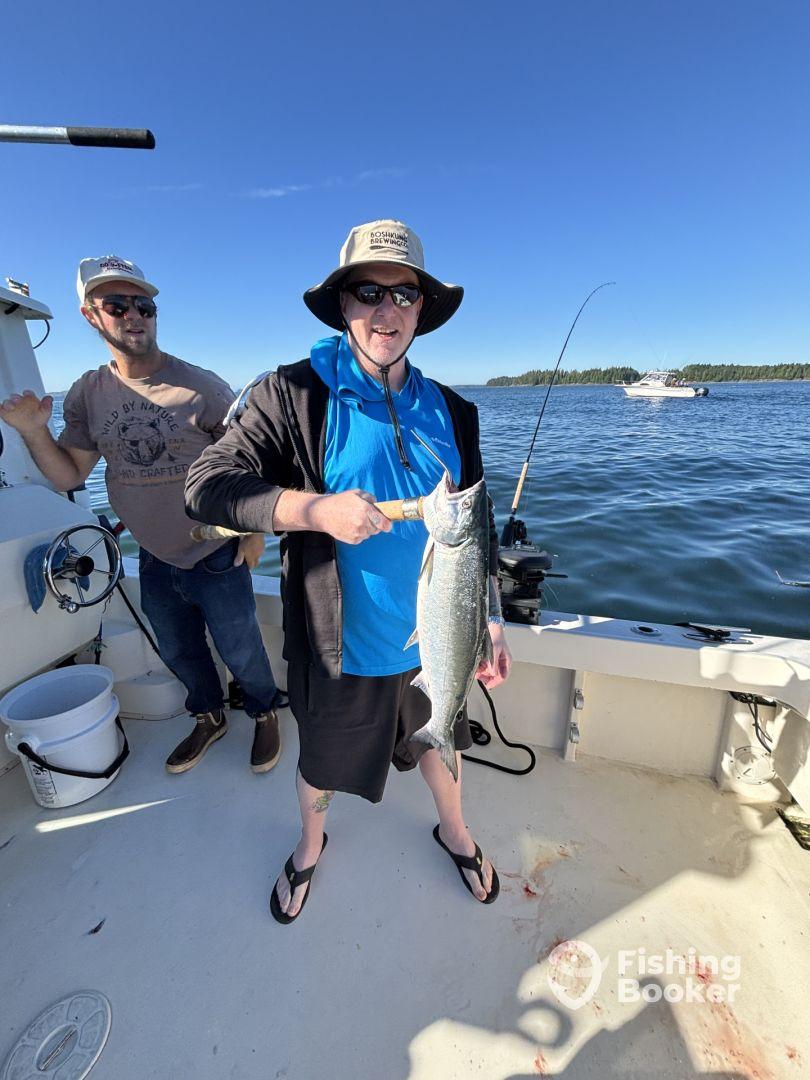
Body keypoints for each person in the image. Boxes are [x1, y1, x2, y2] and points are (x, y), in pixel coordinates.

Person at [185, 220, 511, 922]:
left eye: (404, 294)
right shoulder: (291, 395)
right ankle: (310, 844)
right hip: (340, 650)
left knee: (443, 735)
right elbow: (206, 486)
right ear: (342, 304)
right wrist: (313, 510)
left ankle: (454, 829)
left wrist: (490, 616)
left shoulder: (457, 411)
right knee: (320, 763)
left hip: (436, 640)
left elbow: (475, 526)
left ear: (423, 307)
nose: (386, 310)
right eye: (368, 292)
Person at [0, 255, 286, 775]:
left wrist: (253, 534)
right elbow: (68, 476)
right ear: (91, 315)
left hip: (216, 550)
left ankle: (265, 710)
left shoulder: (202, 387)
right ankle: (208, 715)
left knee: (242, 648)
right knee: (178, 650)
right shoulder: (89, 392)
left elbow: (252, 462)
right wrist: (32, 432)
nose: (134, 315)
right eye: (117, 305)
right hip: (154, 557)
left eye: (144, 305)